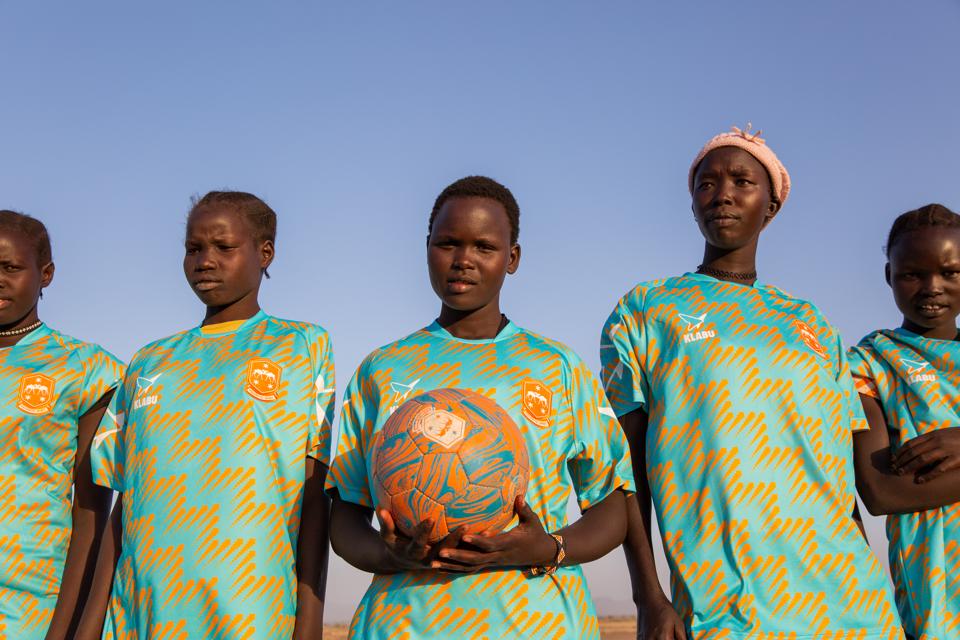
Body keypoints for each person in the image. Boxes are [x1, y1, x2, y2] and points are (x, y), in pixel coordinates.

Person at [600, 127, 904, 638]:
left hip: (853, 602)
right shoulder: (647, 310)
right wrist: (648, 597)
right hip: (728, 605)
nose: (722, 194)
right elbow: (626, 473)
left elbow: (836, 473)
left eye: (742, 181)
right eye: (707, 183)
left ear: (772, 206)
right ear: (692, 201)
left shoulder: (812, 323)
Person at [326, 175, 633, 639]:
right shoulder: (382, 371)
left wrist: (546, 548)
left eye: (484, 248)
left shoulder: (556, 367)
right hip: (408, 622)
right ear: (426, 247)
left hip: (537, 622)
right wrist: (390, 556)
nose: (463, 260)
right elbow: (345, 518)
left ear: (512, 259)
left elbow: (612, 502)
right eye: (447, 243)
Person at [77, 191, 334, 639]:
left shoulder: (302, 346)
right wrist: (89, 627)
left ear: (265, 252)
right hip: (143, 610)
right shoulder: (149, 361)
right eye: (193, 249)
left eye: (223, 247)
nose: (205, 261)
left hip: (250, 610)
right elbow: (125, 503)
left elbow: (315, 499)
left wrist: (308, 626)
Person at [0, 210, 123, 639]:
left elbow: (91, 511)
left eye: (10, 267)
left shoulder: (83, 368)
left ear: (45, 274)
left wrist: (63, 631)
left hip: (30, 602)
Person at [848, 203, 960, 640]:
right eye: (913, 273)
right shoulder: (869, 363)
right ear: (889, 275)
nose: (932, 287)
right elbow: (880, 491)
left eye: (950, 272)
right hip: (933, 594)